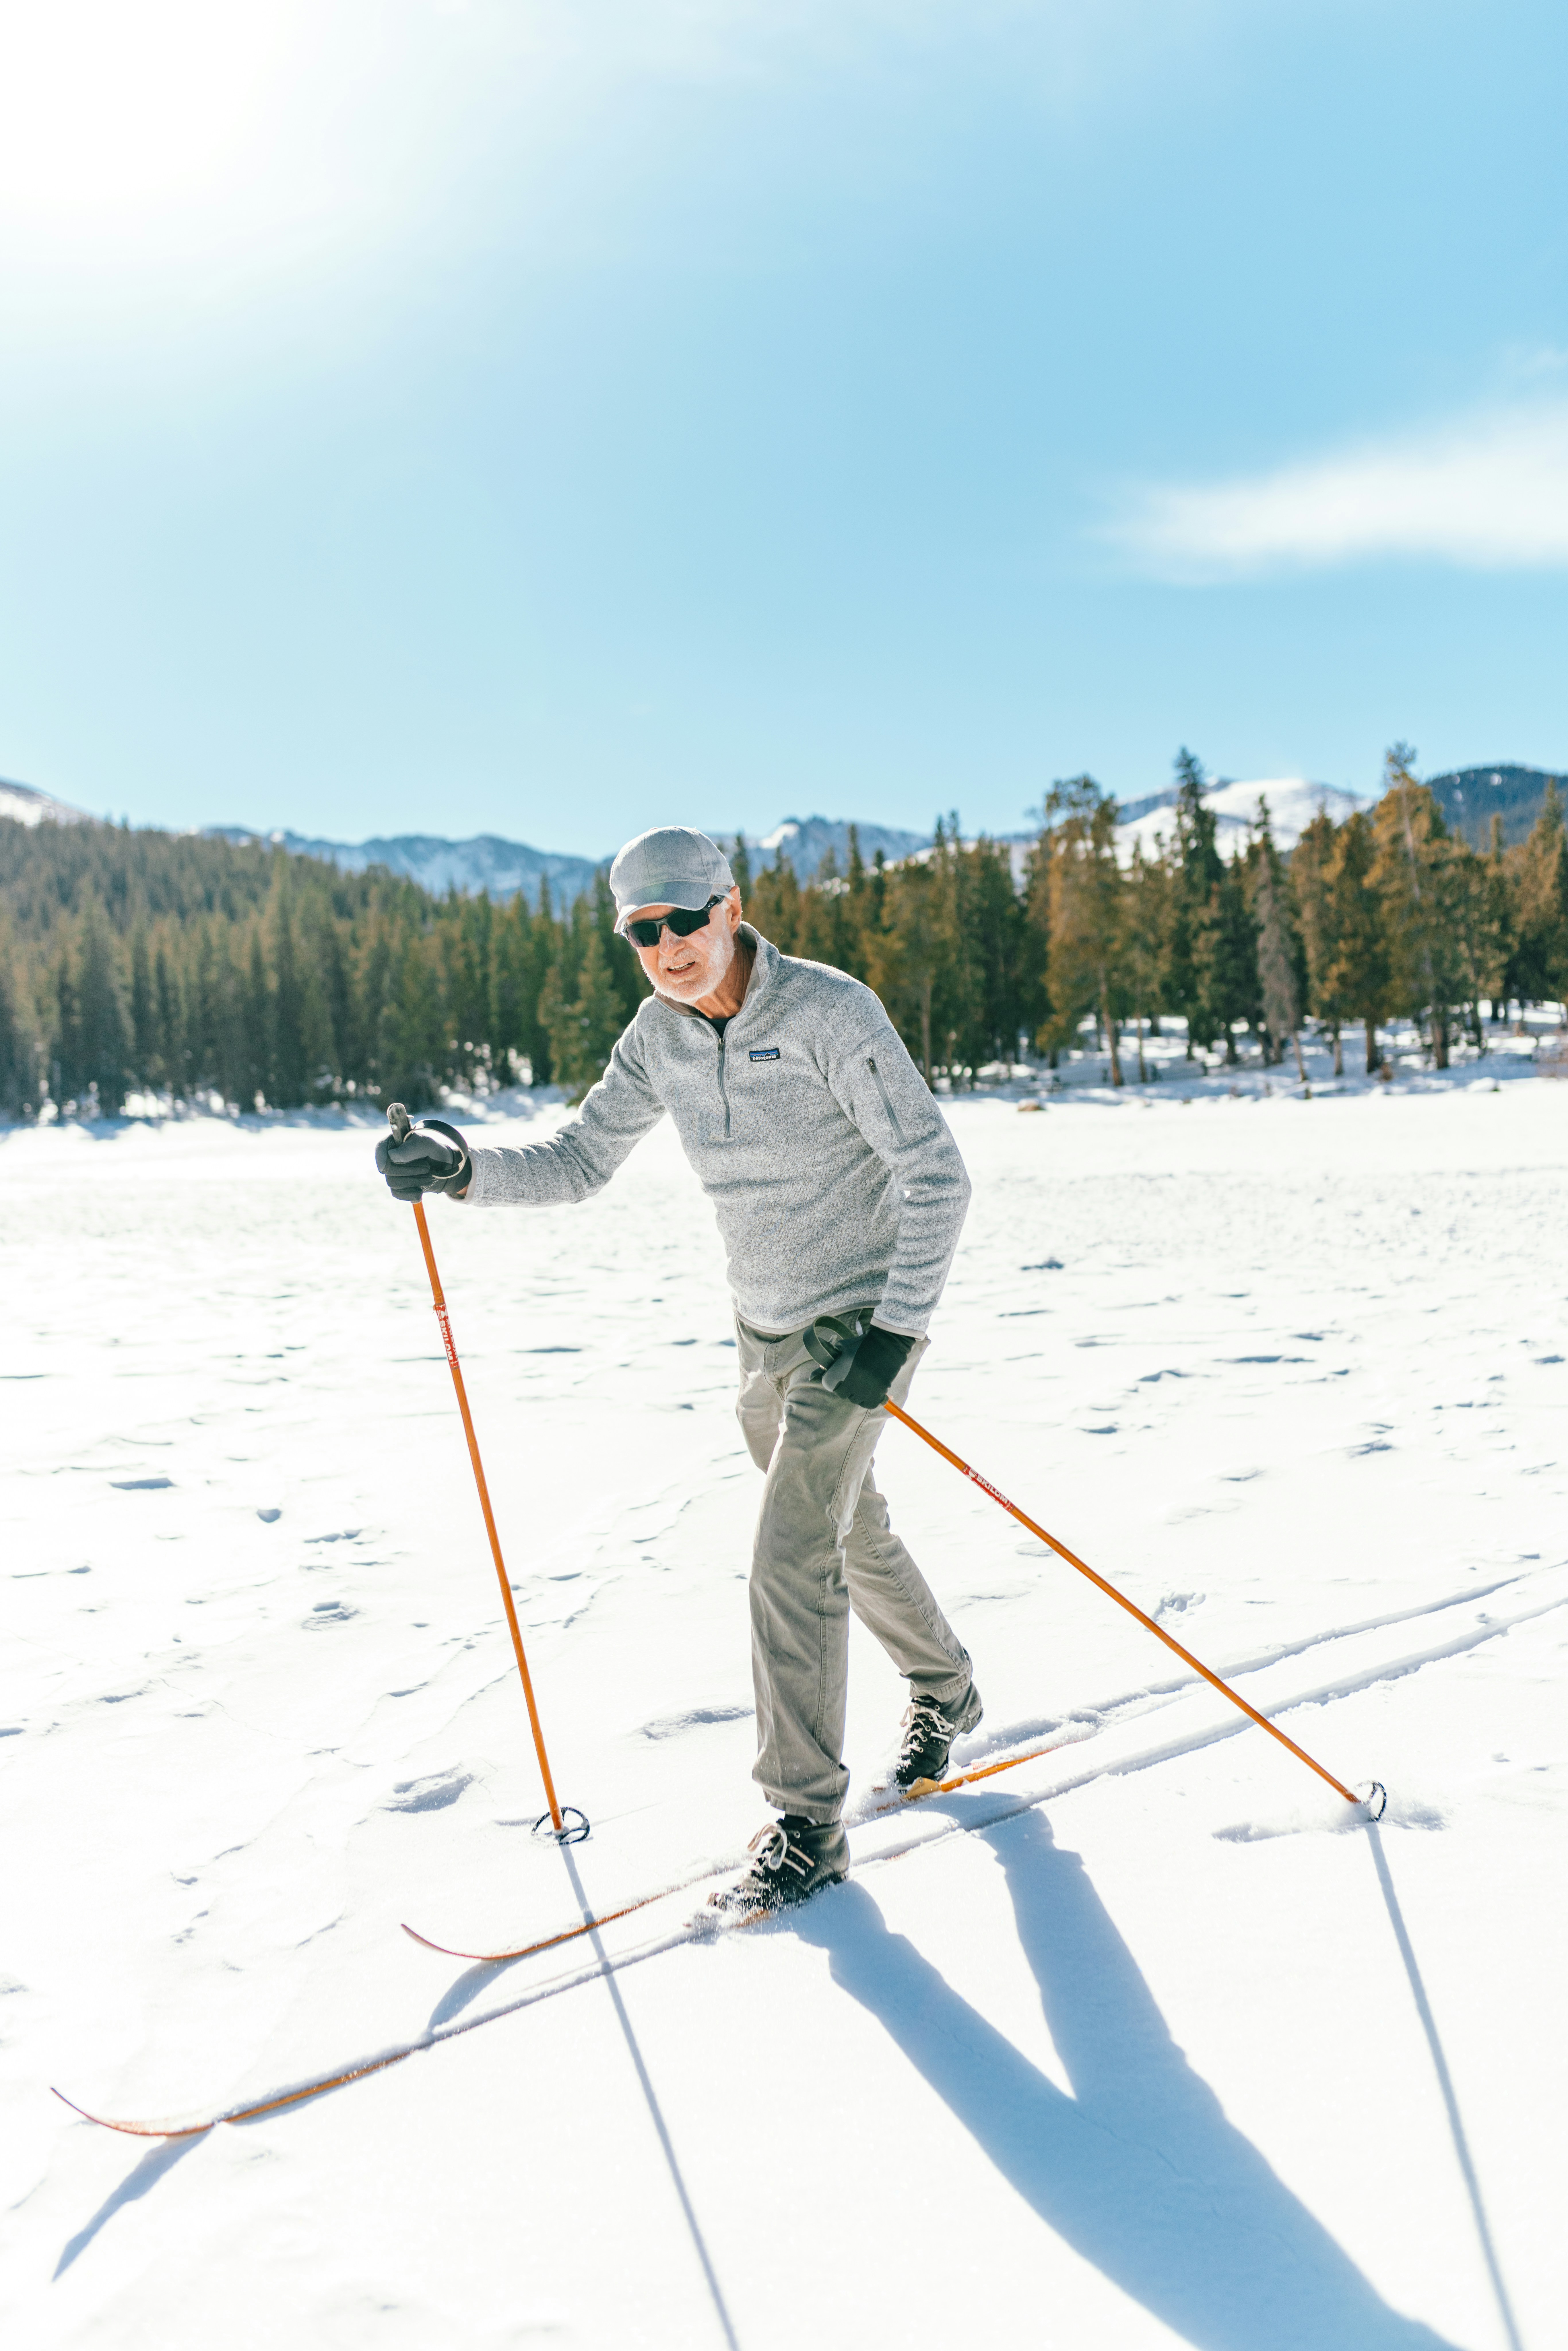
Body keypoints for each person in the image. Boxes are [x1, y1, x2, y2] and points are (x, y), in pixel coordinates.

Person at [375, 825, 980, 1914]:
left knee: (791, 1556)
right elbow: (579, 1160)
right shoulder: (658, 1035)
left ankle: (807, 1825)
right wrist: (462, 1168)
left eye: (685, 921)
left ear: (731, 907)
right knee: (848, 1527)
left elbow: (936, 1174)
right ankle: (948, 1688)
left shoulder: (830, 1012)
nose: (668, 948)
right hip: (765, 1330)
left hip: (860, 1326)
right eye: (641, 933)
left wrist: (894, 1335)